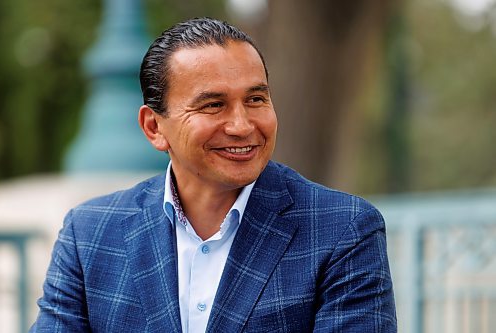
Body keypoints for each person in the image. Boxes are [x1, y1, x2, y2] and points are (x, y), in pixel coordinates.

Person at [31, 17, 397, 332]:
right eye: (213, 105)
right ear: (154, 127)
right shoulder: (90, 235)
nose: (242, 125)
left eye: (256, 99)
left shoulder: (343, 230)